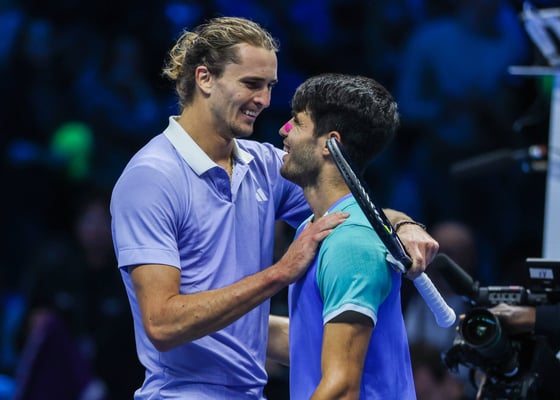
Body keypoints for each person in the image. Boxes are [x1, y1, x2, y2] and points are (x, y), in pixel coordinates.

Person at [110, 16, 438, 399]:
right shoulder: (152, 177)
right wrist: (280, 272)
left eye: (270, 86)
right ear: (205, 78)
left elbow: (349, 209)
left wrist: (404, 226)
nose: (265, 101)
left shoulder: (265, 165)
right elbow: (162, 325)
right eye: (251, 84)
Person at [266, 73, 434, 399]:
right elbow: (309, 343)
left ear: (330, 143)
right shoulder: (313, 228)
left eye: (297, 122)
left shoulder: (351, 241)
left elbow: (342, 388)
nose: (284, 130)